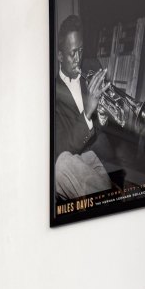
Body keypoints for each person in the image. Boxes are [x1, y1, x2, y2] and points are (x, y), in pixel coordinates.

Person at [54, 14, 113, 199]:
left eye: (80, 50)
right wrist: (87, 112)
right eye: (72, 53)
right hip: (74, 166)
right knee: (61, 165)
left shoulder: (92, 66)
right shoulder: (51, 94)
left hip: (99, 158)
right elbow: (61, 147)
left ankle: (105, 197)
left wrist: (103, 114)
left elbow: (105, 127)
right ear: (60, 56)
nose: (78, 58)